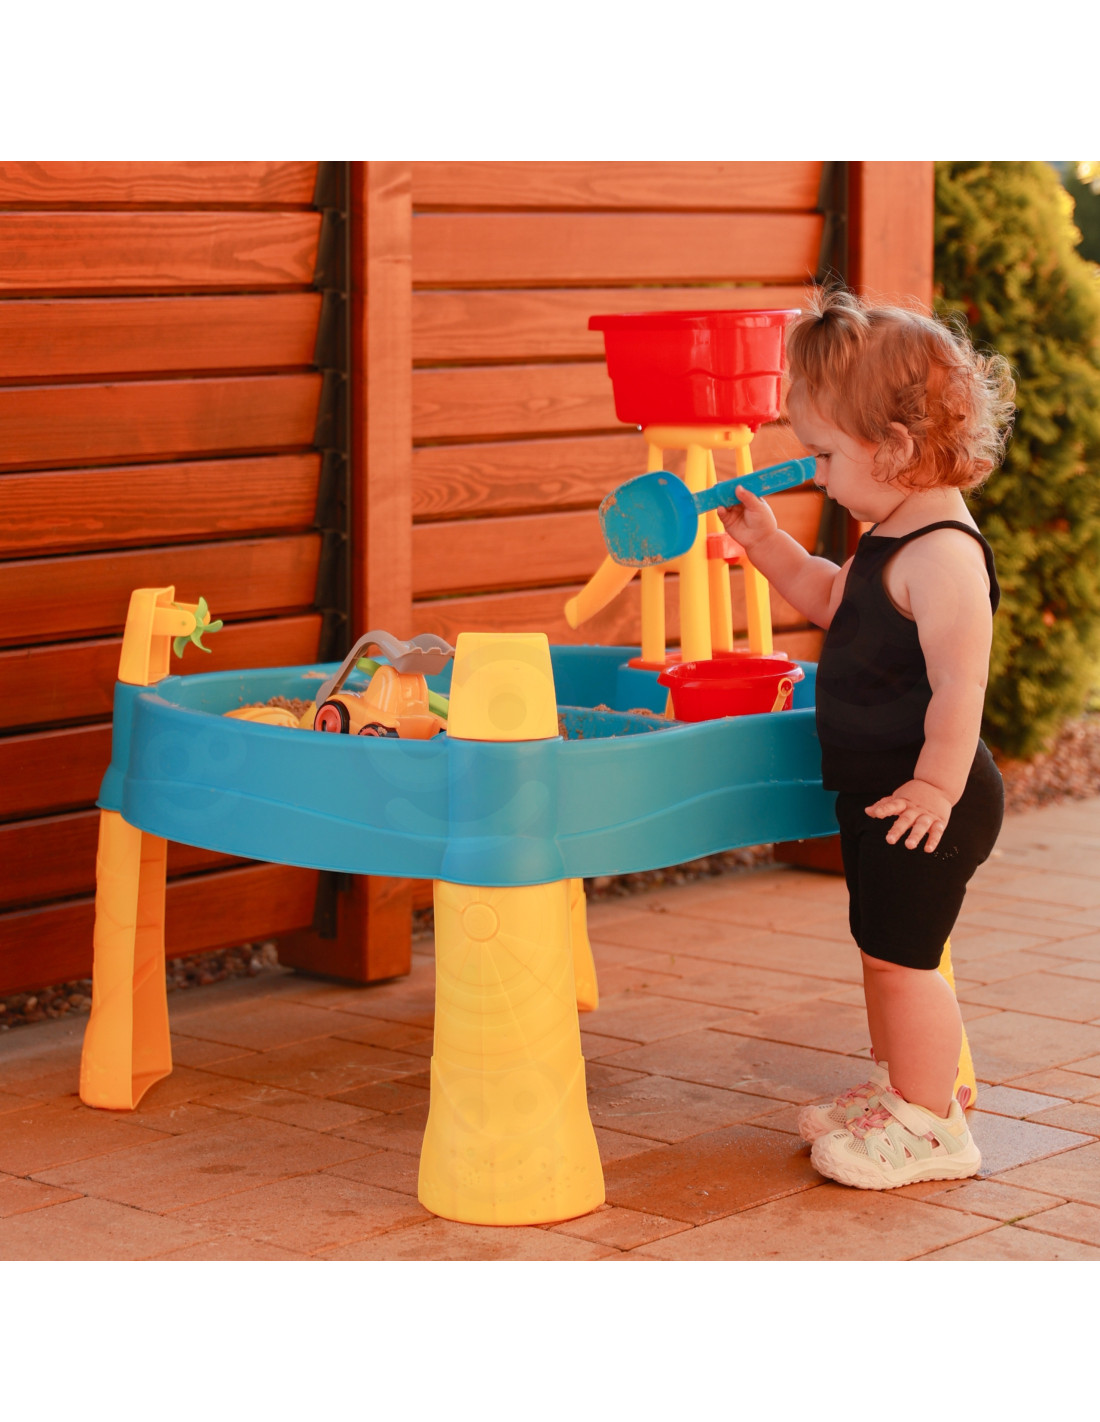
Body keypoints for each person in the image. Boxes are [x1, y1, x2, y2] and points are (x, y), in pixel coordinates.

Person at [719, 287, 1015, 1190]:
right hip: (886, 793)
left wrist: (934, 787)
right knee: (882, 951)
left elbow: (962, 686)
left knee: (906, 964)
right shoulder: (889, 535)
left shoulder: (942, 554)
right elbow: (826, 596)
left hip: (929, 799)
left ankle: (934, 1126)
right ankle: (904, 1091)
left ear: (892, 448)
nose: (815, 475)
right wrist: (767, 544)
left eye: (824, 455)